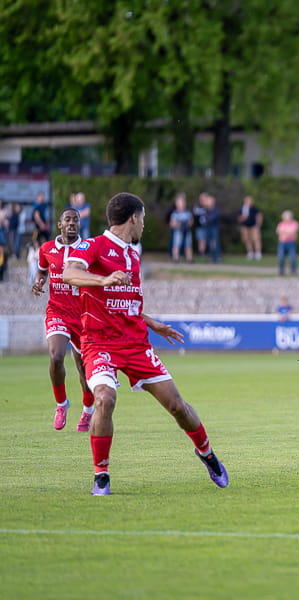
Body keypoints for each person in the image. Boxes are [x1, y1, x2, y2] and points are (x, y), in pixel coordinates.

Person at [62, 192, 229, 496]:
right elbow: (69, 273)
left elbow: (125, 302)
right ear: (134, 218)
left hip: (136, 344)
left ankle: (206, 453)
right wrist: (102, 280)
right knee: (104, 399)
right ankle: (101, 475)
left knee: (177, 405)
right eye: (143, 218)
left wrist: (152, 323)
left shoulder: (133, 255)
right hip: (99, 343)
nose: (143, 224)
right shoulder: (92, 246)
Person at [32, 207, 94, 431]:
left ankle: (88, 410)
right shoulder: (47, 248)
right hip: (57, 311)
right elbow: (42, 271)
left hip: (83, 315)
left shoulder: (88, 248)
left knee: (84, 369)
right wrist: (39, 281)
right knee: (56, 356)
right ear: (60, 224)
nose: (71, 223)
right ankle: (61, 404)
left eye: (75, 220)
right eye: (67, 219)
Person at [168, 192, 193, 263]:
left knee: (188, 245)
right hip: (178, 231)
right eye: (179, 203)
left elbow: (191, 221)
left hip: (187, 230)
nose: (181, 204)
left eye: (183, 203)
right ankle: (175, 258)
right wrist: (178, 224)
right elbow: (171, 223)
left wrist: (188, 224)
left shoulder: (187, 212)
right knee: (176, 244)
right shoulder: (175, 213)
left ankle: (189, 259)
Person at [238, 195, 263, 260]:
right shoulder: (242, 209)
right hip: (245, 226)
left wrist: (258, 225)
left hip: (254, 226)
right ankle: (250, 252)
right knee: (247, 240)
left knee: (256, 239)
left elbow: (259, 216)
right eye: (246, 201)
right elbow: (239, 218)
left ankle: (258, 253)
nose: (248, 202)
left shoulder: (255, 209)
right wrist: (243, 218)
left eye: (249, 201)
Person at [276, 210, 299, 276]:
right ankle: (281, 271)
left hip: (291, 243)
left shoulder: (295, 223)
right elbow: (278, 231)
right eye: (286, 217)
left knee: (293, 258)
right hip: (282, 243)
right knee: (281, 258)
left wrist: (284, 232)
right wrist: (288, 232)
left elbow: (293, 232)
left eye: (288, 217)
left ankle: (293, 271)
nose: (287, 218)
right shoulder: (281, 224)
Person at [203, 193, 222, 263]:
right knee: (209, 242)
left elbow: (211, 218)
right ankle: (211, 256)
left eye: (209, 200)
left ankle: (218, 256)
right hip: (207, 227)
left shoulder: (216, 209)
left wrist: (208, 218)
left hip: (214, 228)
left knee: (215, 241)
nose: (207, 202)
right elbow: (205, 218)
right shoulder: (206, 210)